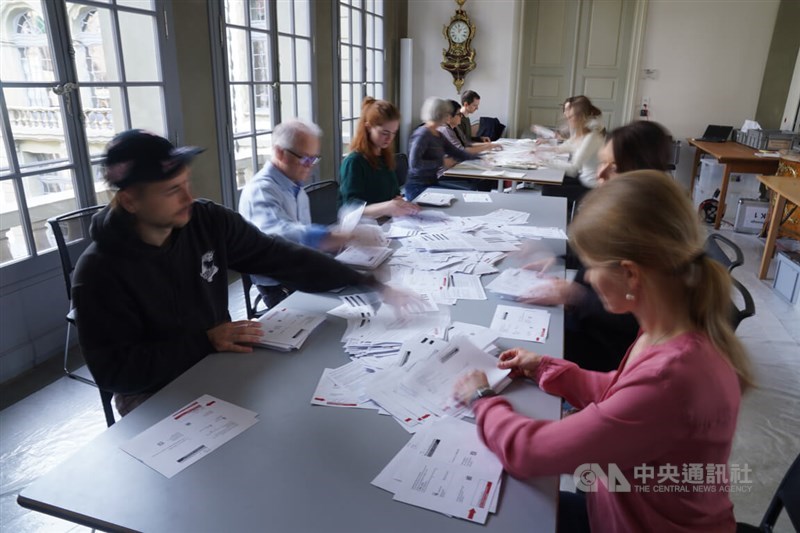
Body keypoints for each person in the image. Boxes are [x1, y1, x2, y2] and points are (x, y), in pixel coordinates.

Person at [454, 171, 752, 532]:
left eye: (592, 266)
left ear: (630, 275)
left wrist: (482, 399)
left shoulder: (671, 377)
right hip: (625, 508)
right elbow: (621, 390)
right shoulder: (670, 331)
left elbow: (530, 452)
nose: (587, 278)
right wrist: (546, 367)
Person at [73, 129, 396, 417]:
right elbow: (117, 373)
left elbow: (278, 255)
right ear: (130, 200)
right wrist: (204, 342)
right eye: (172, 190)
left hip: (217, 357)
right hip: (154, 392)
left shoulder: (206, 221)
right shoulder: (99, 271)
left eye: (186, 184)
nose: (188, 198)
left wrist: (365, 282)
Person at [522, 120, 674, 371]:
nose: (600, 174)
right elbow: (594, 257)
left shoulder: (651, 232)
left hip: (605, 349)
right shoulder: (624, 209)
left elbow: (641, 324)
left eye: (613, 168)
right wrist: (557, 256)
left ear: (641, 172)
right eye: (602, 162)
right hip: (580, 320)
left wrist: (576, 296)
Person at [239, 119, 379, 308]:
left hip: (301, 271)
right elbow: (281, 236)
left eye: (314, 159)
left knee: (366, 293)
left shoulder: (295, 185)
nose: (310, 165)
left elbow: (305, 238)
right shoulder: (262, 190)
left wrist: (336, 243)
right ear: (280, 152)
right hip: (280, 286)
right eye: (305, 159)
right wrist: (341, 236)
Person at [338, 97, 419, 218]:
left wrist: (400, 202)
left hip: (387, 223)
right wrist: (387, 207)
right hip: (364, 228)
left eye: (393, 133)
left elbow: (393, 193)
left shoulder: (384, 156)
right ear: (368, 127)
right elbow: (350, 209)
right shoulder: (354, 162)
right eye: (384, 133)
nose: (390, 138)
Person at [404, 97, 480, 200]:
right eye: (447, 113)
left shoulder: (438, 134)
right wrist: (441, 162)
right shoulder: (422, 135)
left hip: (431, 184)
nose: (449, 115)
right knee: (465, 195)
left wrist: (481, 158)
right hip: (418, 188)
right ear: (440, 114)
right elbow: (415, 164)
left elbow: (458, 153)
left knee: (469, 193)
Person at [539, 95, 605, 212]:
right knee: (551, 180)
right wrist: (545, 150)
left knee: (548, 189)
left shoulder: (592, 136)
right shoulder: (585, 130)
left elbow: (573, 168)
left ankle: (563, 218)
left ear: (581, 117)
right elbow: (570, 144)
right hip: (582, 177)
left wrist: (543, 160)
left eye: (570, 117)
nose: (567, 119)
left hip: (590, 185)